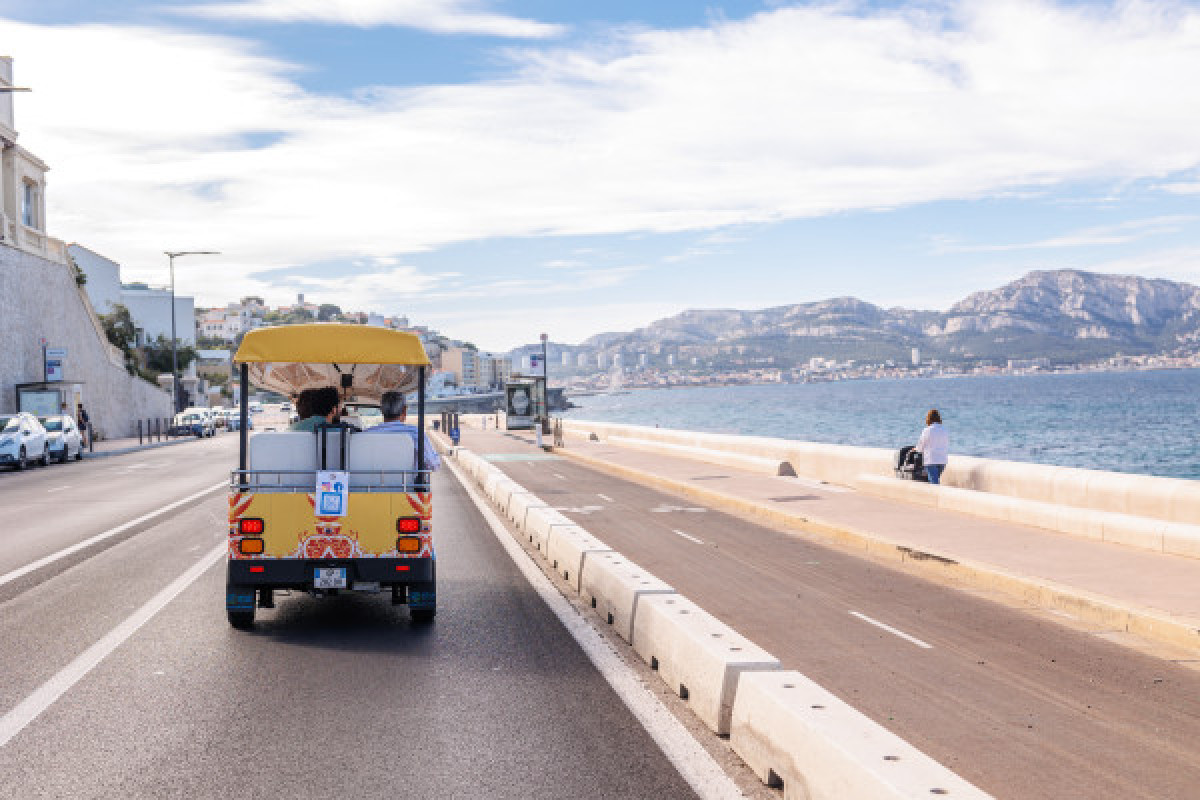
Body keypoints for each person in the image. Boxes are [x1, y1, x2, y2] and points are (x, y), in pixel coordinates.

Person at [363, 391, 440, 471]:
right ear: (404, 410)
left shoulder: (365, 435)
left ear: (382, 411)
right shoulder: (416, 434)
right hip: (408, 483)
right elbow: (433, 464)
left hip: (372, 483)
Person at [916, 409, 949, 485]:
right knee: (934, 481)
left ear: (928, 419)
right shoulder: (944, 430)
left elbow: (920, 447)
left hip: (931, 461)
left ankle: (938, 496)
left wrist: (915, 449)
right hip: (942, 461)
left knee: (934, 484)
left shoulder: (927, 430)